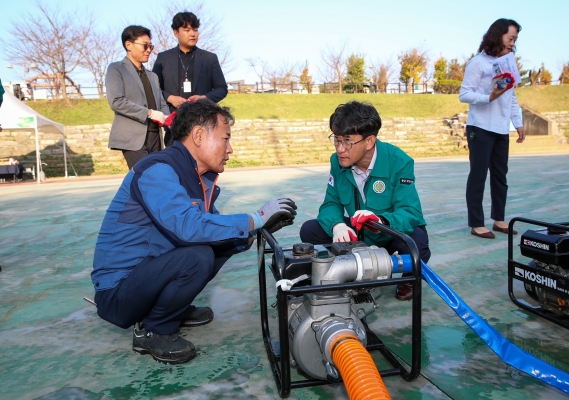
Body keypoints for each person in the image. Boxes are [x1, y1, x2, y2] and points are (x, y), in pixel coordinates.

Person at [91, 100, 296, 364]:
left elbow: (213, 228)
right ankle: (154, 329)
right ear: (198, 136)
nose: (230, 149)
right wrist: (255, 219)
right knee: (198, 256)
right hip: (118, 291)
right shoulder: (158, 169)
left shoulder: (193, 176)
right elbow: (188, 227)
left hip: (144, 276)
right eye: (225, 138)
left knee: (220, 242)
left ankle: (171, 308)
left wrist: (257, 229)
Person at [299, 101, 431, 301]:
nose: (340, 149)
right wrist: (337, 226)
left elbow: (410, 212)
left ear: (369, 142)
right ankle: (345, 271)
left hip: (388, 233)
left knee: (417, 242)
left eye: (347, 141)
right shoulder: (337, 162)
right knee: (310, 230)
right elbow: (330, 203)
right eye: (336, 140)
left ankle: (408, 277)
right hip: (358, 234)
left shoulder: (399, 161)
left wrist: (382, 222)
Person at [459, 18, 526, 239]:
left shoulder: (508, 63)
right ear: (498, 36)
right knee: (478, 176)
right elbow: (464, 94)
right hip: (480, 127)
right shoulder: (478, 63)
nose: (512, 43)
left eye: (515, 40)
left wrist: (518, 122)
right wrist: (488, 97)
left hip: (501, 129)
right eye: (510, 38)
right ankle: (477, 223)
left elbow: (512, 96)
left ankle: (499, 219)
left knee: (500, 176)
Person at [153, 11, 228, 147]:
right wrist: (170, 98)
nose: (192, 34)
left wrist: (204, 98)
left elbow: (222, 89)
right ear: (176, 33)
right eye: (187, 30)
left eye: (195, 30)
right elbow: (154, 88)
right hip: (174, 125)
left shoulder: (209, 58)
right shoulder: (163, 58)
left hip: (203, 124)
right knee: (175, 159)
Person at [106, 25, 170, 169]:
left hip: (156, 137)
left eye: (150, 46)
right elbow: (116, 101)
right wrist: (149, 113)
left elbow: (162, 104)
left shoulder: (153, 76)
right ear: (128, 45)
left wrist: (168, 118)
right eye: (144, 45)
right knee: (144, 177)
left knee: (157, 177)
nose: (149, 50)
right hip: (133, 138)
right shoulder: (116, 69)